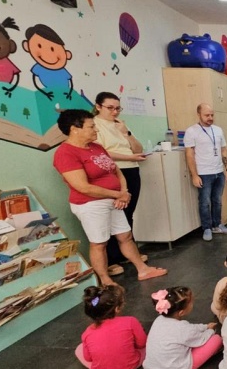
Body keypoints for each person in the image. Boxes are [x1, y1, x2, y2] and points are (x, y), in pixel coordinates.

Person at [52, 109, 167, 286]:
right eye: (91, 127)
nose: (95, 130)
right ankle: (105, 280)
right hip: (90, 204)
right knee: (99, 243)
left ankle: (142, 269)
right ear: (75, 129)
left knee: (125, 236)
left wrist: (124, 191)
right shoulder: (65, 153)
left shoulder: (96, 147)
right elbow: (83, 187)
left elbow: (116, 170)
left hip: (114, 199)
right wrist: (118, 194)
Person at [92, 92, 147, 276]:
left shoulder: (120, 124)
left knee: (128, 212)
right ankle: (112, 258)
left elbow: (139, 149)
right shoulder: (94, 125)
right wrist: (130, 156)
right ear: (99, 106)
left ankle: (128, 253)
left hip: (132, 169)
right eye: (110, 108)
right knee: (115, 214)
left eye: (117, 108)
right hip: (113, 170)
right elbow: (102, 153)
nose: (115, 112)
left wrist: (127, 133)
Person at [143, 287, 222, 369]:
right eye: (191, 303)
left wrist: (205, 326)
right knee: (216, 340)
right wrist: (210, 330)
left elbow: (190, 329)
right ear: (181, 312)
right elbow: (202, 339)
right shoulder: (182, 328)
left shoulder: (159, 320)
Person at [184, 103, 227, 242]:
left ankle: (217, 225)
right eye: (207, 115)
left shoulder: (218, 130)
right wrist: (194, 175)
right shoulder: (192, 131)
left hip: (219, 171)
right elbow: (189, 155)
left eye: (212, 115)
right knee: (204, 201)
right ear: (199, 114)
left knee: (217, 200)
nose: (210, 117)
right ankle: (206, 227)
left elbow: (224, 150)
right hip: (204, 173)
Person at [75, 285, 146, 369]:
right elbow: (142, 344)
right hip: (132, 365)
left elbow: (88, 358)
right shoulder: (130, 321)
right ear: (117, 308)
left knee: (79, 349)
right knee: (148, 342)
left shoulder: (87, 333)